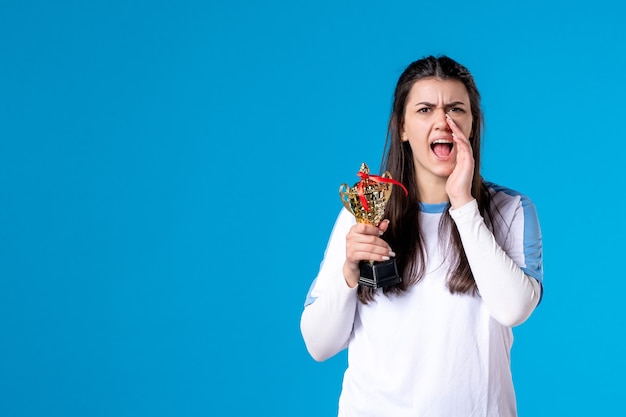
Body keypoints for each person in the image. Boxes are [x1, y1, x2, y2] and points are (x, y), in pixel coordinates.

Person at [300, 55, 543, 417]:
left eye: (456, 109)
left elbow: (514, 309)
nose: (443, 122)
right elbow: (319, 345)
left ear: (472, 123)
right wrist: (349, 273)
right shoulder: (362, 210)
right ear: (402, 127)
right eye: (425, 109)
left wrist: (462, 203)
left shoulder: (511, 211)